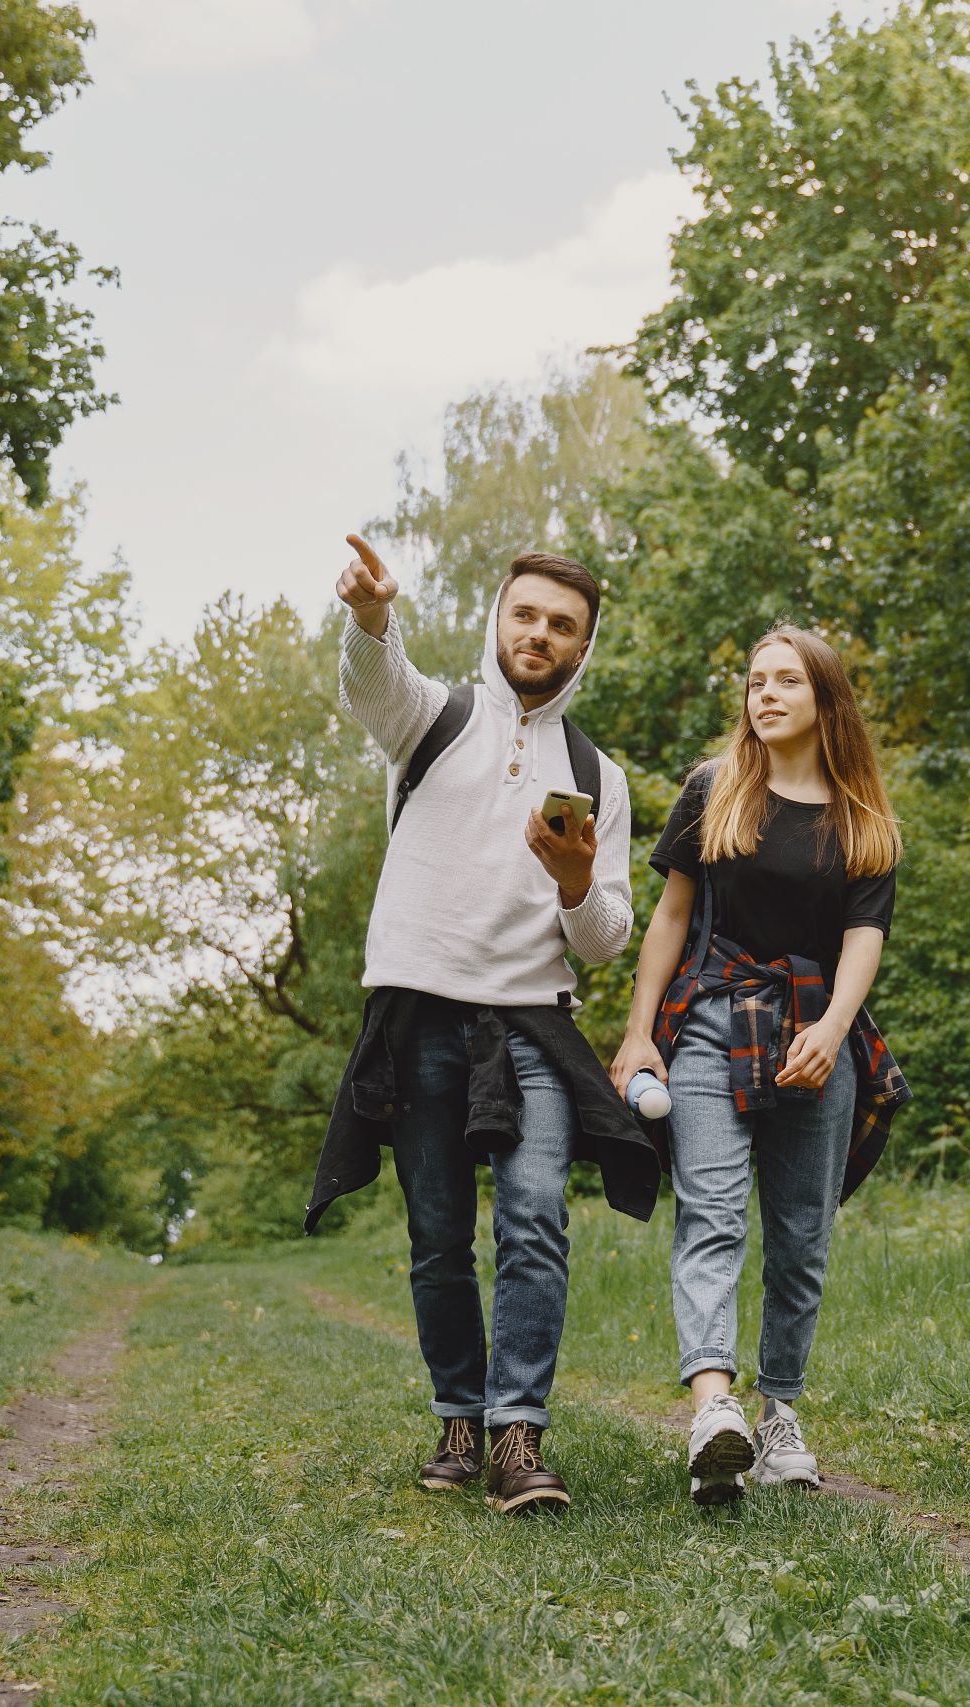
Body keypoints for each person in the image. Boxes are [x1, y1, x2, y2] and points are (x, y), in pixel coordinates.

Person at [305, 534, 656, 1516]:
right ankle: (458, 1415)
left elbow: (601, 941)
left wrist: (578, 880)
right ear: (497, 617)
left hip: (532, 1023)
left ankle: (515, 1437)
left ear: (584, 646)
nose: (539, 634)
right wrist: (372, 618)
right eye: (526, 614)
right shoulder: (437, 718)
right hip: (417, 1008)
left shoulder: (598, 775)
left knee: (535, 1216)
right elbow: (375, 688)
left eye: (562, 625)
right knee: (437, 1235)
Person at [610, 625, 909, 1505]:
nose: (765, 694)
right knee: (711, 1215)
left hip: (817, 1039)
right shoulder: (714, 788)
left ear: (825, 700)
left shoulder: (864, 820)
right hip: (710, 1026)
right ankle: (713, 1409)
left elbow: (865, 938)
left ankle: (778, 1412)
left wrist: (833, 1028)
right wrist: (639, 1034)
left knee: (803, 1239)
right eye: (754, 681)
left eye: (786, 680)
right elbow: (670, 917)